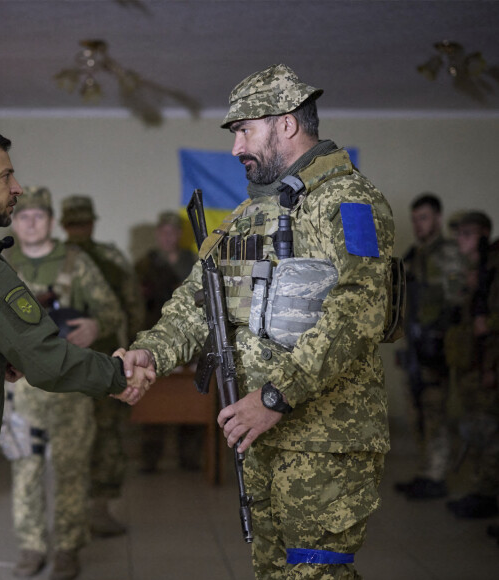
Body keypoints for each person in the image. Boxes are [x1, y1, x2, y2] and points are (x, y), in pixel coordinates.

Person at [123, 64, 395, 579]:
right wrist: (151, 352)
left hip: (323, 436)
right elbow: (200, 300)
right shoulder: (253, 213)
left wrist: (276, 396)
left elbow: (356, 311)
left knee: (315, 573)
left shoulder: (347, 200)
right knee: (272, 570)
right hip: (259, 431)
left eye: (244, 130)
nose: (236, 148)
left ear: (287, 124)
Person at [0, 128, 153, 580]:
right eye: (5, 176)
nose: (17, 189)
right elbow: (45, 359)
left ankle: (65, 548)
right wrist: (120, 375)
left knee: (68, 474)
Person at [4, 187, 130, 579]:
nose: (30, 223)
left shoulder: (76, 262)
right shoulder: (1, 263)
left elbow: (111, 311)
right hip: (21, 389)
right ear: (15, 222)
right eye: (23, 217)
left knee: (72, 468)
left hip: (70, 386)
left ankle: (67, 548)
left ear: (51, 221)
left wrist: (95, 325)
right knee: (25, 468)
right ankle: (31, 546)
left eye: (38, 216)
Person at [60, 194, 144, 536]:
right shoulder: (59, 261)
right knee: (91, 437)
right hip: (85, 364)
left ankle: (91, 511)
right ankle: (87, 511)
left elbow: (133, 305)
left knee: (103, 436)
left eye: (82, 223)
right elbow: (134, 307)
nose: (80, 229)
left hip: (96, 363)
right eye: (76, 223)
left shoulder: (60, 260)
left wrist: (136, 351)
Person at [395, 194, 465, 499]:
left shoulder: (447, 254)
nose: (418, 224)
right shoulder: (415, 256)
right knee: (417, 411)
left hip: (435, 346)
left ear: (437, 218)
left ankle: (436, 475)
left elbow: (456, 302)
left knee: (435, 410)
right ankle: (427, 471)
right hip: (415, 344)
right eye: (415, 219)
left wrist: (439, 339)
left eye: (423, 217)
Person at [134, 211, 201, 472]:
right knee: (153, 400)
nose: (168, 237)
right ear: (157, 234)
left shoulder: (191, 262)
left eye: (173, 232)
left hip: (190, 339)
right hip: (154, 338)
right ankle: (149, 457)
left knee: (191, 399)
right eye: (163, 232)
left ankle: (190, 457)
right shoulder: (145, 264)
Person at [444, 211, 499, 520]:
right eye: (459, 233)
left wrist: (487, 324)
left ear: (483, 234)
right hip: (471, 363)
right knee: (477, 429)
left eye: (467, 233)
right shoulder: (474, 270)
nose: (460, 239)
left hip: (486, 363)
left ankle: (486, 493)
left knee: (488, 430)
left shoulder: (493, 269)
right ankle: (482, 490)